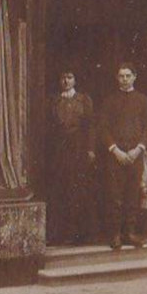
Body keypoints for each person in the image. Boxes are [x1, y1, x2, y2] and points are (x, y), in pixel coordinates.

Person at [98, 63, 147, 251]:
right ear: (117, 78)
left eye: (128, 75)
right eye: (121, 76)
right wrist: (115, 150)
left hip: (135, 154)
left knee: (132, 195)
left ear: (134, 77)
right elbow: (103, 128)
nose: (124, 79)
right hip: (116, 155)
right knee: (115, 195)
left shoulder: (142, 100)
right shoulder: (109, 100)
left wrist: (139, 149)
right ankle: (115, 234)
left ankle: (130, 233)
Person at [47, 70, 96, 244]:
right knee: (61, 189)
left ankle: (80, 234)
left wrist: (90, 149)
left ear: (75, 80)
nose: (66, 81)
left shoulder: (83, 100)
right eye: (63, 78)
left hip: (79, 149)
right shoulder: (55, 101)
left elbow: (90, 126)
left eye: (69, 78)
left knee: (78, 189)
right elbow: (50, 127)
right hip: (60, 149)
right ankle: (62, 234)